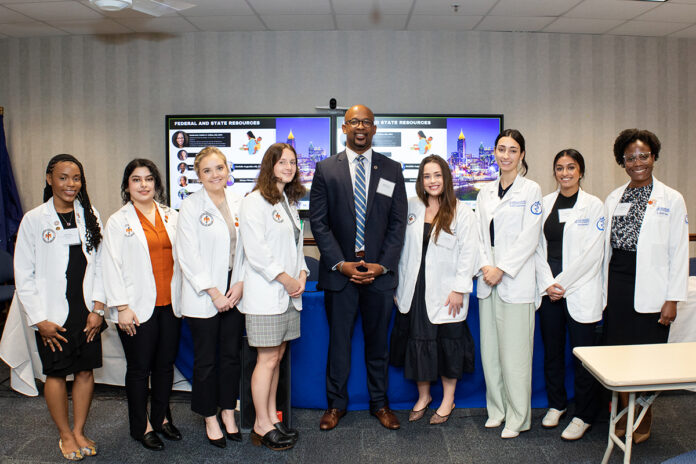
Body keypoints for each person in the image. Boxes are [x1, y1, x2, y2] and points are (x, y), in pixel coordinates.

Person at [310, 104, 407, 431]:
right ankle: (335, 406)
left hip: (379, 277)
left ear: (374, 128)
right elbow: (319, 224)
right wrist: (341, 264)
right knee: (339, 345)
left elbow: (397, 225)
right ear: (344, 128)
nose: (360, 127)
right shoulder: (326, 169)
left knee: (377, 346)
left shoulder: (392, 170)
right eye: (353, 122)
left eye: (366, 122)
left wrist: (382, 266)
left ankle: (380, 405)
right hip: (341, 277)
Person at [14, 154, 106, 461]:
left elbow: (103, 265)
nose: (70, 184)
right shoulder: (34, 219)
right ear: (49, 178)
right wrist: (39, 320)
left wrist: (99, 310)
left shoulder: (89, 213)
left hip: (86, 310)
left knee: (84, 372)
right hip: (52, 313)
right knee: (56, 374)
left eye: (76, 178)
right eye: (63, 177)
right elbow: (23, 274)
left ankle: (79, 430)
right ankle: (65, 435)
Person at [602, 129, 688, 443]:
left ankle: (644, 415)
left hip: (653, 288)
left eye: (644, 156)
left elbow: (679, 252)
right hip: (618, 283)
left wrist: (673, 298)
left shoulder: (672, 198)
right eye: (630, 158)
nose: (638, 162)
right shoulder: (615, 197)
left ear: (653, 157)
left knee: (647, 357)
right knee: (618, 354)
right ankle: (626, 414)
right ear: (621, 162)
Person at [390, 155, 478, 425]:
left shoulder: (461, 211)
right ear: (421, 180)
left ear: (446, 177)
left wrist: (459, 289)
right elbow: (400, 247)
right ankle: (424, 396)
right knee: (419, 343)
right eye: (427, 176)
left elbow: (469, 253)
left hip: (447, 291)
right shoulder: (412, 207)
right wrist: (398, 284)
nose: (432, 181)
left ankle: (447, 399)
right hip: (415, 289)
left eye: (437, 175)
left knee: (448, 345)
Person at [102, 159, 183, 451]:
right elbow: (109, 265)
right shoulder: (117, 221)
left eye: (149, 179)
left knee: (164, 366)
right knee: (139, 369)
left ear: (156, 183)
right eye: (136, 180)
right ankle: (142, 426)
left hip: (171, 304)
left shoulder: (171, 215)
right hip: (136, 308)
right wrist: (121, 307)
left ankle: (161, 418)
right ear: (127, 186)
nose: (144, 184)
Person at [238, 143, 308, 450]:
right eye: (283, 162)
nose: (289, 167)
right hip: (267, 295)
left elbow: (296, 248)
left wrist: (302, 275)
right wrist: (287, 279)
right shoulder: (255, 202)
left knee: (277, 358)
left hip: (288, 295)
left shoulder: (287, 201)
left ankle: (272, 418)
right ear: (270, 165)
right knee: (265, 360)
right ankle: (260, 424)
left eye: (293, 162)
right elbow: (258, 254)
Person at [475, 129, 542, 439]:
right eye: (501, 149)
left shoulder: (531, 190)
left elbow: (529, 237)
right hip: (488, 283)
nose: (505, 155)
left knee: (515, 356)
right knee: (490, 352)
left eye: (512, 150)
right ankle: (497, 410)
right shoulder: (484, 192)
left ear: (522, 155)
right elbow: (478, 236)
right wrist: (486, 267)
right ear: (494, 152)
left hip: (515, 282)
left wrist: (501, 268)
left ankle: (518, 416)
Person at [176, 147, 244, 448]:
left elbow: (248, 248)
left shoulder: (240, 201)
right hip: (204, 293)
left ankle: (228, 411)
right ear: (198, 175)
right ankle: (209, 416)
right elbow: (187, 257)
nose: (215, 174)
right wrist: (214, 292)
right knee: (206, 360)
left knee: (231, 357)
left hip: (236, 289)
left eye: (220, 168)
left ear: (228, 170)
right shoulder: (190, 206)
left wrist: (240, 283)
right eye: (207, 170)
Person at [534, 149, 604, 441]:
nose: (565, 173)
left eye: (571, 168)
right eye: (560, 168)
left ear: (581, 172)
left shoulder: (594, 205)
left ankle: (585, 414)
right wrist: (548, 284)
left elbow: (592, 255)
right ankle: (557, 404)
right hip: (550, 291)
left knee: (583, 357)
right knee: (552, 352)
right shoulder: (545, 204)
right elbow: (535, 247)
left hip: (579, 289)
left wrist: (561, 284)